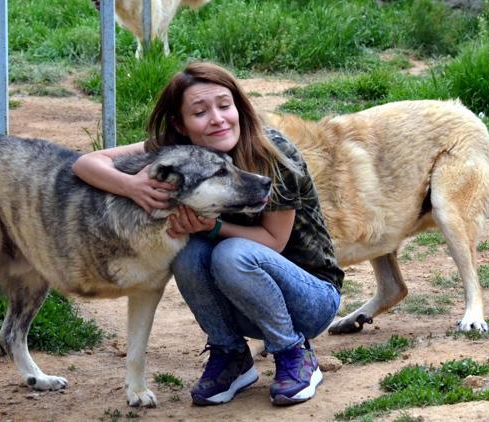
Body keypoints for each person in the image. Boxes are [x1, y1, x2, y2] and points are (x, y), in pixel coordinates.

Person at [72, 62, 343, 406]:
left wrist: (212, 227)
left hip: (310, 298)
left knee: (231, 253)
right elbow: (85, 163)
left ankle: (293, 352)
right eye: (200, 112)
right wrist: (132, 185)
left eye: (224, 106)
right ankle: (231, 354)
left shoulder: (272, 151)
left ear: (239, 108)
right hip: (240, 301)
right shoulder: (176, 154)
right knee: (185, 252)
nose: (217, 118)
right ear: (179, 125)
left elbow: (274, 242)